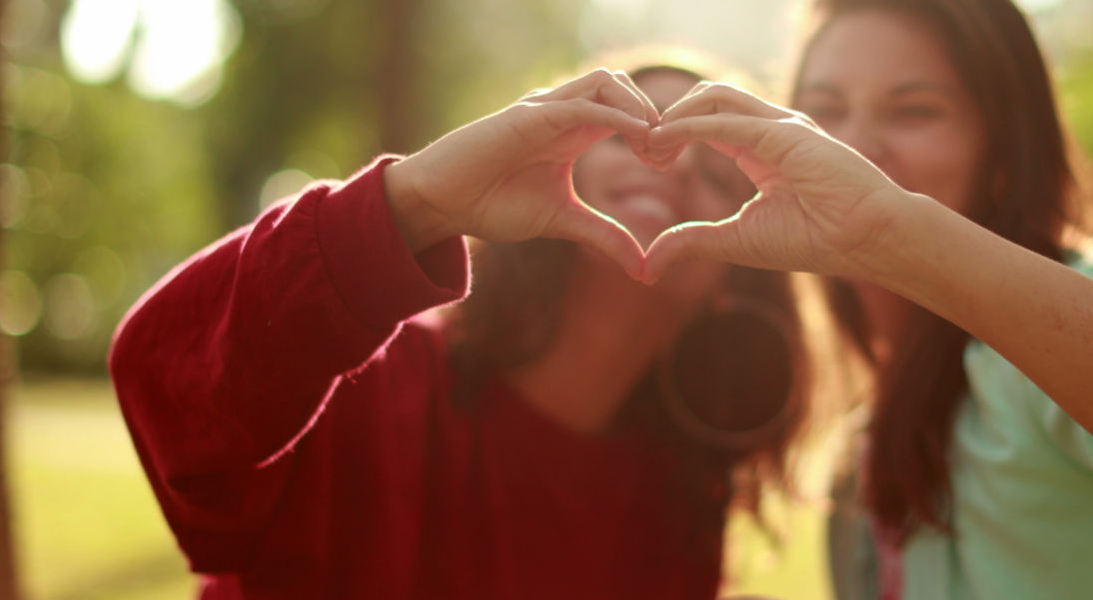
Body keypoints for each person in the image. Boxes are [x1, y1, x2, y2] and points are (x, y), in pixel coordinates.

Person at [108, 52, 816, 600]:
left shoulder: (682, 499)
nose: (673, 162)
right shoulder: (368, 379)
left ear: (741, 271)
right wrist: (415, 201)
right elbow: (162, 373)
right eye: (634, 131)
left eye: (722, 174)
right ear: (553, 157)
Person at [638, 0, 1093, 600]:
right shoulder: (861, 450)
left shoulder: (1043, 336)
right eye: (822, 110)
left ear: (1003, 152)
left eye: (914, 111)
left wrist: (895, 231)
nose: (854, 146)